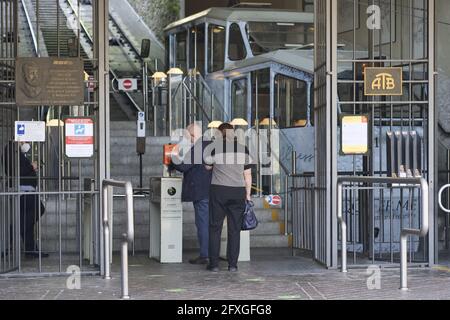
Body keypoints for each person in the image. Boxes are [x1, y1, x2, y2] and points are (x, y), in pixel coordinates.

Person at [204, 123, 253, 272]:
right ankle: (232, 265)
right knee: (234, 229)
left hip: (218, 191)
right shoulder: (243, 149)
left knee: (215, 228)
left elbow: (207, 167)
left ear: (220, 133)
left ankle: (214, 265)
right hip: (237, 192)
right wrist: (248, 195)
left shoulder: (214, 147)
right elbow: (248, 175)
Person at [170, 123, 212, 264]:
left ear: (193, 135)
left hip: (201, 192)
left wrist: (173, 157)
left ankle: (205, 254)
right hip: (212, 190)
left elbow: (184, 166)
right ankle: (211, 253)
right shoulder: (210, 144)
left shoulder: (199, 147)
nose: (187, 140)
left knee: (202, 224)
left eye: (188, 137)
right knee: (210, 224)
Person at [2, 141, 47, 258]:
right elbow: (15, 172)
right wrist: (32, 166)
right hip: (22, 190)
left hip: (25, 189)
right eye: (25, 140)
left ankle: (30, 250)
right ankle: (14, 232)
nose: (26, 143)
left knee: (28, 217)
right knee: (38, 209)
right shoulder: (11, 150)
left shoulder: (16, 151)